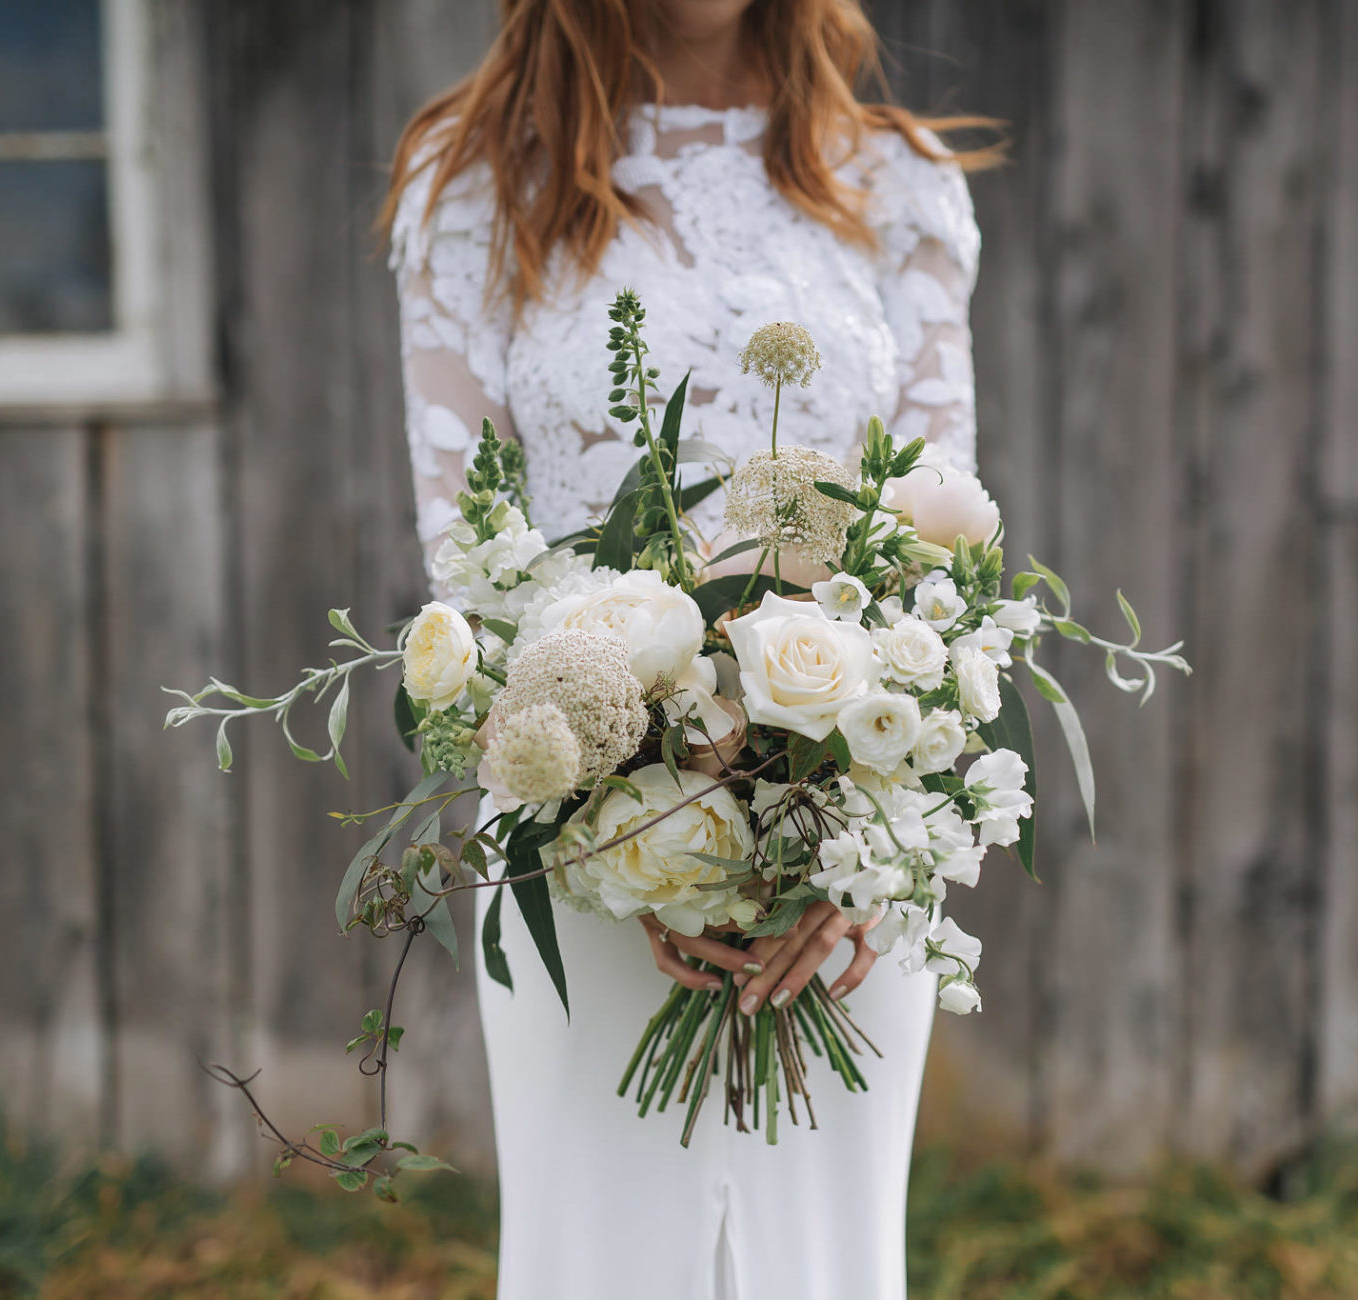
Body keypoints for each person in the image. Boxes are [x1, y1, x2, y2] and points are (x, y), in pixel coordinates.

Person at [382, 2, 987, 1295]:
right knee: (600, 1251)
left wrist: (861, 829)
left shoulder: (898, 181)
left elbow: (939, 540)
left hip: (848, 851)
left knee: (821, 1258)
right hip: (579, 821)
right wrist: (631, 837)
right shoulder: (481, 180)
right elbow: (469, 557)